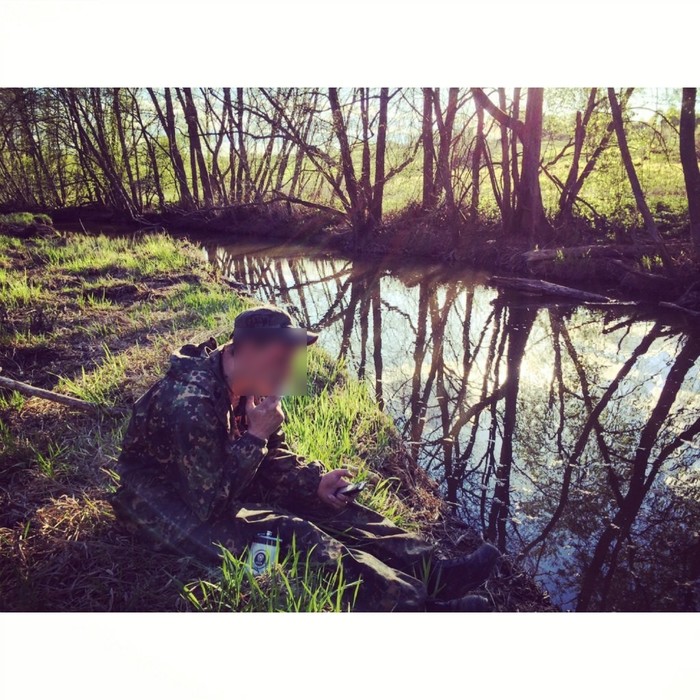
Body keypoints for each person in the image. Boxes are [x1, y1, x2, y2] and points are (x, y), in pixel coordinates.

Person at [111, 305, 500, 611]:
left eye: (291, 361)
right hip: (164, 506)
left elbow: (272, 456)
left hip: (216, 480)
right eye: (280, 360)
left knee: (329, 502)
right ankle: (414, 608)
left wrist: (314, 483)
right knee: (288, 532)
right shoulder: (191, 404)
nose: (287, 372)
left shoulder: (248, 382)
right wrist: (255, 436)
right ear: (246, 350)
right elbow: (209, 503)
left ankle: (436, 571)